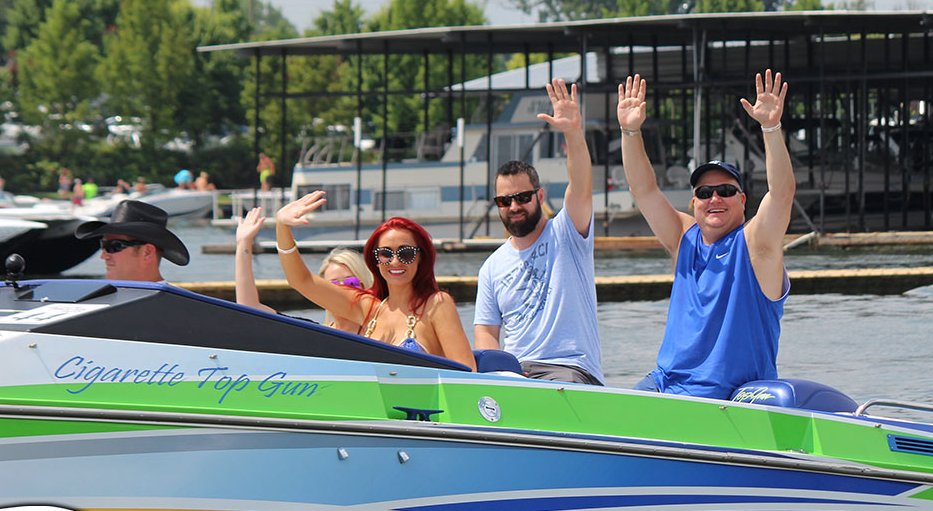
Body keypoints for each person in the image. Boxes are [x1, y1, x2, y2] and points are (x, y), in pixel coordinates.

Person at [618, 70, 795, 398]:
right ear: (694, 202)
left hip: (722, 395)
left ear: (743, 200)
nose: (714, 199)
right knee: (606, 415)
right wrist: (630, 132)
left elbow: (782, 194)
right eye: (704, 193)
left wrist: (770, 128)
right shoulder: (683, 237)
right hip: (663, 382)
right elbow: (643, 190)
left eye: (726, 191)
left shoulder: (755, 245)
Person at [473, 78, 603, 385]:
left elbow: (581, 184)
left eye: (523, 197)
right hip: (516, 374)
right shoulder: (491, 267)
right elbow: (486, 333)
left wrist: (572, 132)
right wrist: (502, 372)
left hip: (570, 370)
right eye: (505, 201)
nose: (514, 206)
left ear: (540, 196)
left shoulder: (568, 232)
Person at [274, 191, 476, 369]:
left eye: (406, 253)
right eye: (386, 254)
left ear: (421, 258)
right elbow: (301, 281)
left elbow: (467, 373)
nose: (395, 261)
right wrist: (282, 226)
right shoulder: (368, 308)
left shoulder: (437, 305)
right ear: (376, 261)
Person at [234, 207, 373, 330]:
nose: (343, 291)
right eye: (334, 285)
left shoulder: (379, 332)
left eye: (351, 283)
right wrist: (243, 243)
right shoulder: (316, 334)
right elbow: (250, 306)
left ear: (364, 285)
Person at [74, 199, 190, 282]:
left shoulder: (177, 307)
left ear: (147, 252)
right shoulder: (97, 302)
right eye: (103, 245)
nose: (103, 256)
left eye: (114, 246)